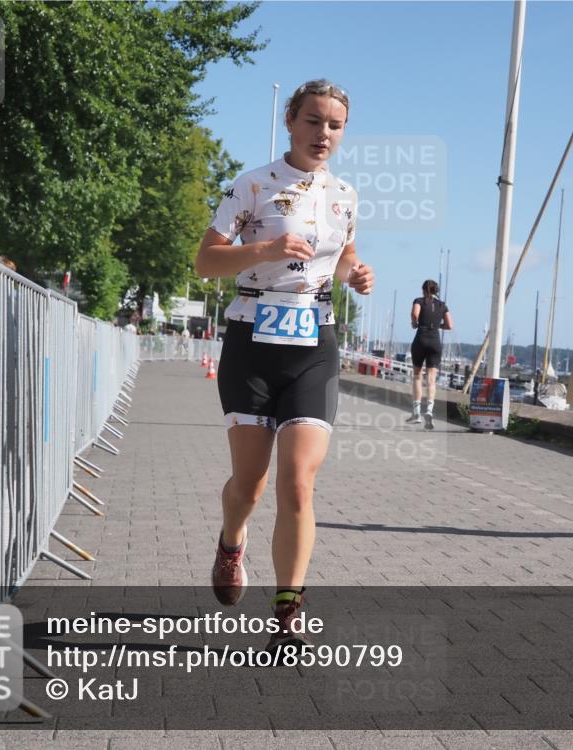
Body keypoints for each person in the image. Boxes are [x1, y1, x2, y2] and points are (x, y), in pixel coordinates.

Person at [195, 79, 374, 652]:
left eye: (335, 125)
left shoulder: (345, 195)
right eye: (314, 121)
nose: (324, 134)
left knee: (298, 484)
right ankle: (231, 540)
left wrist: (356, 274)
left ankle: (287, 612)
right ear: (290, 121)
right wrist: (267, 251)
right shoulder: (252, 184)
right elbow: (205, 262)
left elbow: (343, 256)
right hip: (251, 343)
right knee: (250, 484)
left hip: (314, 343)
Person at [406, 280, 452, 430]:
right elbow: (450, 325)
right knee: (431, 380)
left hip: (421, 339)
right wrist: (438, 325)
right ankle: (429, 411)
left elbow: (415, 314)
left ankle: (416, 413)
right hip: (435, 341)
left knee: (417, 376)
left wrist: (415, 323)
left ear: (424, 290)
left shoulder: (418, 301)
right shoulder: (442, 305)